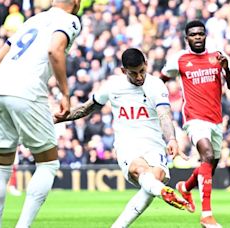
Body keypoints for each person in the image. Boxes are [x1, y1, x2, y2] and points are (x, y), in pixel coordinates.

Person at [55, 48, 189, 228]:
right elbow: (87, 107)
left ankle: (122, 223)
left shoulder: (156, 85)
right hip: (128, 144)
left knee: (153, 179)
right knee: (140, 170)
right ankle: (162, 191)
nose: (140, 77)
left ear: (146, 65)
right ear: (123, 71)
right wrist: (64, 117)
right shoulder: (113, 86)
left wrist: (172, 139)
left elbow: (164, 115)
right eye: (134, 73)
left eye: (142, 71)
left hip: (154, 143)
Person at [0, 0, 81, 227]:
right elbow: (54, 50)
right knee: (48, 164)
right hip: (26, 92)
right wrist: (65, 95)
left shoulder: (33, 20)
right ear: (76, 2)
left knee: (1, 167)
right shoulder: (70, 20)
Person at [161, 20, 230, 228]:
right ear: (187, 38)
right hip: (194, 118)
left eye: (200, 34)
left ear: (205, 36)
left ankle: (185, 188)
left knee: (209, 167)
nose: (197, 37)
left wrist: (227, 69)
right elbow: (161, 79)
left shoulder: (217, 57)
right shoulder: (179, 59)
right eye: (193, 34)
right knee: (205, 155)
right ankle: (207, 216)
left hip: (215, 120)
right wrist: (158, 102)